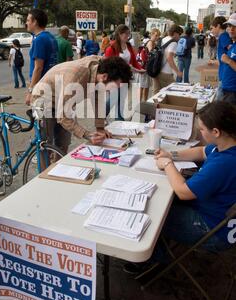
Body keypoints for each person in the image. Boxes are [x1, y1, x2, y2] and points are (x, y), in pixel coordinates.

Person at [124, 101, 236, 274]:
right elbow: (201, 152)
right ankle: (160, 249)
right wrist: (171, 154)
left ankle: (155, 260)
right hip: (219, 217)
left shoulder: (224, 163)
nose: (200, 132)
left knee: (151, 211)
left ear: (216, 132)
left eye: (202, 129)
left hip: (213, 230)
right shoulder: (227, 144)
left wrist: (168, 164)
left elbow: (184, 192)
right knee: (159, 198)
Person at [31, 56, 133, 154]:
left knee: (63, 144)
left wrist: (100, 129)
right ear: (105, 77)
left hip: (61, 99)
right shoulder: (78, 76)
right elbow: (62, 116)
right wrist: (87, 134)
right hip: (43, 99)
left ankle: (56, 168)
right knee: (46, 146)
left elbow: (98, 101)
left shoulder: (101, 69)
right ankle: (44, 170)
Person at [25, 9, 58, 106]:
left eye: (28, 20)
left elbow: (38, 68)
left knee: (42, 119)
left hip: (42, 86)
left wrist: (30, 91)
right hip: (52, 83)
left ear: (34, 22)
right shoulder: (51, 37)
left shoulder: (39, 40)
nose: (26, 23)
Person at [153, 24, 183, 95]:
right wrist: (177, 72)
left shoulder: (163, 39)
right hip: (166, 73)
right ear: (175, 33)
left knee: (156, 94)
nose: (179, 37)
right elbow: (169, 58)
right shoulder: (173, 43)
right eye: (179, 34)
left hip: (156, 70)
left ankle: (154, 106)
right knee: (172, 94)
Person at [209, 16, 232, 100]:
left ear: (218, 26)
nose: (211, 31)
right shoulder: (223, 36)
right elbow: (223, 59)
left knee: (218, 104)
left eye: (212, 28)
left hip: (225, 77)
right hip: (223, 75)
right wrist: (213, 61)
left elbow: (231, 48)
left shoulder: (223, 36)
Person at [219, 13, 236, 104]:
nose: (231, 29)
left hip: (233, 93)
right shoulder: (233, 44)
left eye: (235, 26)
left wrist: (228, 61)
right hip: (228, 90)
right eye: (229, 25)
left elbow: (230, 62)